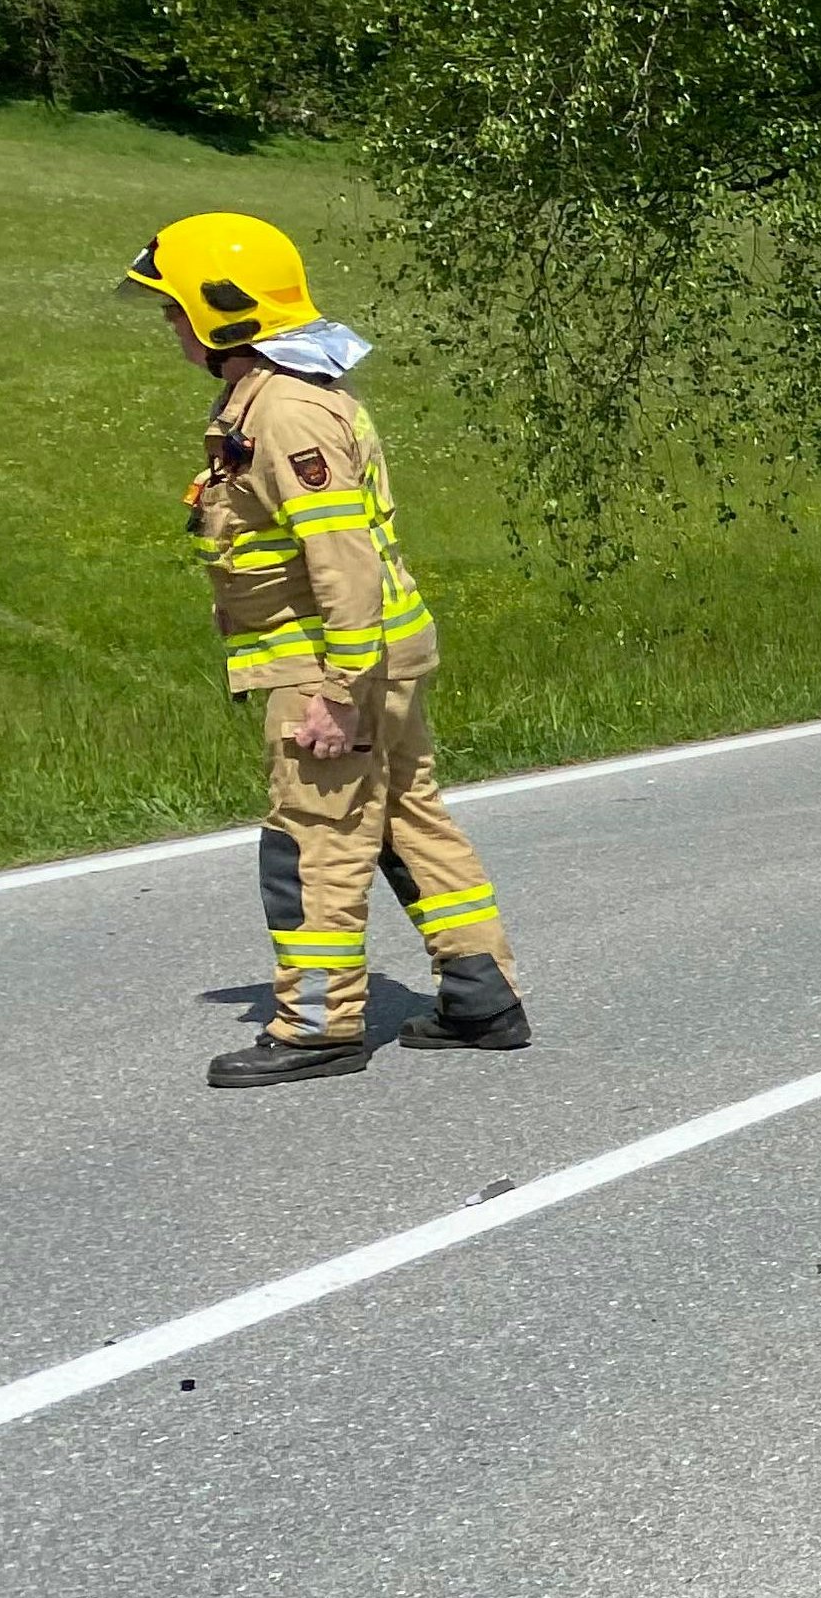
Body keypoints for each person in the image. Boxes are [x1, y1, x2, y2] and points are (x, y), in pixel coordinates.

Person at [127, 212, 530, 1087]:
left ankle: (317, 1027)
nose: (168, 326)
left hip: (329, 663)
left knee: (314, 839)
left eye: (173, 309)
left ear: (218, 311)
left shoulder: (284, 412)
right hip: (371, 650)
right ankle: (481, 996)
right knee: (406, 817)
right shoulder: (276, 394)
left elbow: (337, 556)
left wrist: (340, 691)